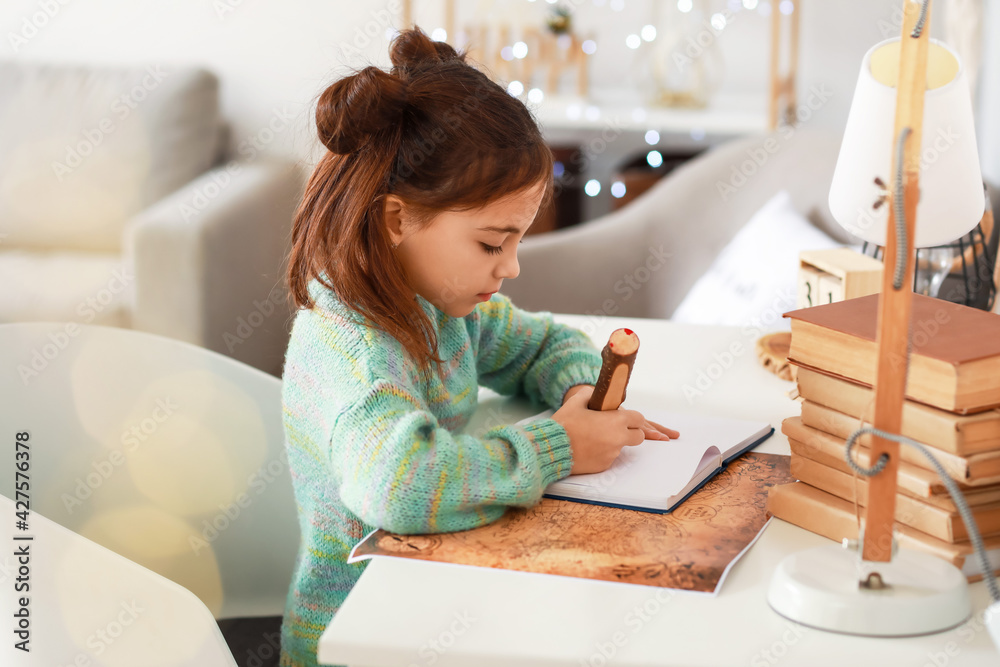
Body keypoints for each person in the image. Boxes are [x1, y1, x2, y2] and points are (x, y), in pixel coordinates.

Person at [278, 26, 679, 667]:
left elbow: (542, 342)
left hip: (437, 604)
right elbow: (399, 486)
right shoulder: (352, 352)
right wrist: (560, 447)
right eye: (494, 244)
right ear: (397, 219)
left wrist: (580, 392)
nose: (512, 268)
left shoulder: (438, 305)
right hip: (359, 635)